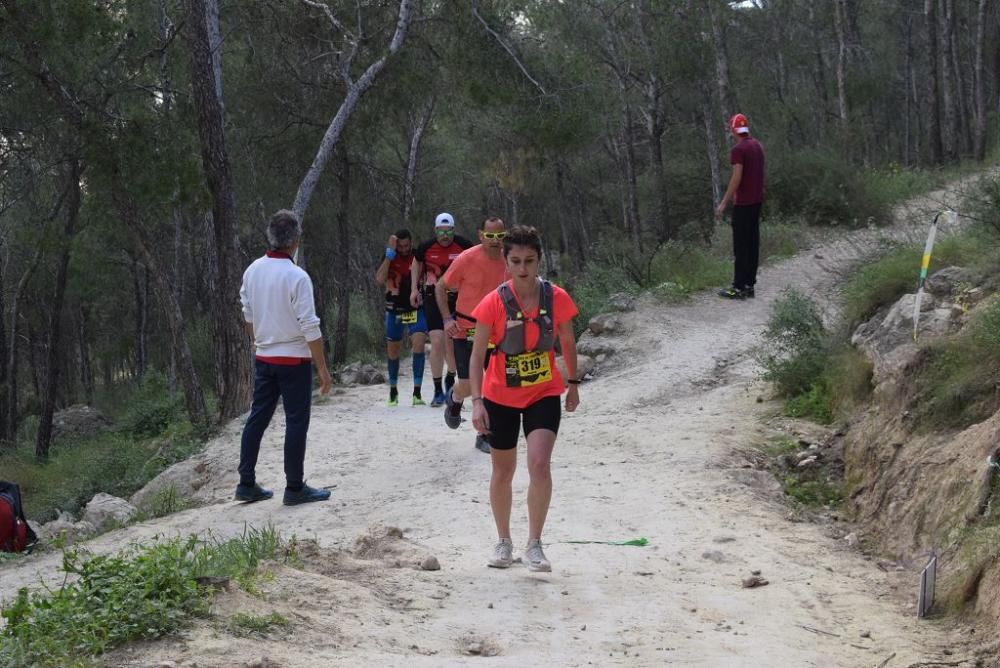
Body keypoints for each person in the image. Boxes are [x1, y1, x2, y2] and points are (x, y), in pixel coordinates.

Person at [468, 225, 581, 572]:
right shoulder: (492, 304)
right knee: (503, 471)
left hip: (543, 392)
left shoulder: (556, 297)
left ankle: (535, 544)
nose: (523, 268)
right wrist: (476, 401)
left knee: (539, 464)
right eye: (515, 261)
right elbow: (475, 357)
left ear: (539, 260)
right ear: (505, 262)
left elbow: (567, 340)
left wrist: (572, 383)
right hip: (499, 395)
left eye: (529, 261)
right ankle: (504, 541)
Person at [236, 210, 332, 506]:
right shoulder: (297, 276)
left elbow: (247, 313)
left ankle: (246, 482)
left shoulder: (253, 270)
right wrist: (323, 370)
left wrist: (257, 343)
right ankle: (294, 487)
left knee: (258, 418)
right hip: (294, 361)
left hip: (265, 357)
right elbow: (310, 327)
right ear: (296, 241)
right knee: (296, 421)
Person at [435, 217, 508, 453]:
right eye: (490, 237)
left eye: (499, 237)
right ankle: (455, 398)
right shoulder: (467, 258)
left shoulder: (510, 259)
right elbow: (440, 287)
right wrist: (447, 319)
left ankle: (484, 434)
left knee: (493, 381)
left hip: (496, 329)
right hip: (466, 328)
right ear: (481, 236)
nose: (495, 242)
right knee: (468, 384)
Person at [409, 212, 474, 407]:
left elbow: (475, 263)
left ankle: (450, 377)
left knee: (452, 344)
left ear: (454, 230)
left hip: (457, 299)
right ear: (435, 231)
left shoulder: (464, 245)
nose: (445, 236)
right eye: (441, 232)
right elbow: (416, 262)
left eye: (449, 231)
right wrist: (414, 289)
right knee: (436, 341)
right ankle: (438, 390)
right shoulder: (426, 247)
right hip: (432, 298)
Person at [715, 112, 765, 300]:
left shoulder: (739, 150)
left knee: (741, 246)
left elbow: (737, 177)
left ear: (733, 130)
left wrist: (723, 203)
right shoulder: (758, 146)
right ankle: (749, 285)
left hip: (743, 204)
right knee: (753, 244)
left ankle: (738, 287)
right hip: (757, 201)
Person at [375, 229, 428, 407]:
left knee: (419, 344)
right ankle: (393, 390)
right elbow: (380, 279)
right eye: (401, 246)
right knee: (393, 351)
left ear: (411, 243)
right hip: (394, 310)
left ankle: (417, 392)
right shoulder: (389, 256)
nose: (404, 249)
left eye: (407, 245)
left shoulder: (417, 256)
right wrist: (389, 256)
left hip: (415, 308)